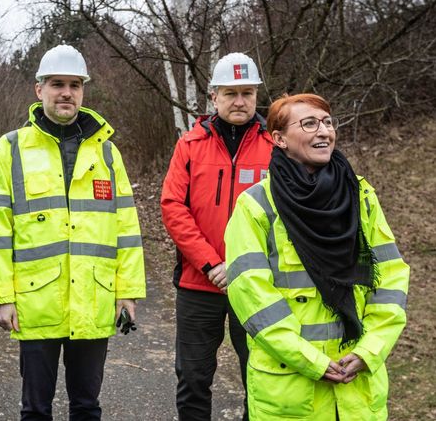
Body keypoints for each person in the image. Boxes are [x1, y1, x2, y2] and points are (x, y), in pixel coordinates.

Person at [0, 44, 146, 420]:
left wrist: (128, 293)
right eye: (57, 84)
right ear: (39, 90)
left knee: (87, 406)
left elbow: (126, 228)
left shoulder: (107, 153)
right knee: (35, 409)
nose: (66, 92)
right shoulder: (11, 149)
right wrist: (0, 296)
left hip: (93, 296)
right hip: (37, 301)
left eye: (74, 84)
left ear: (83, 91)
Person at [224, 93, 409, 420]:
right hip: (292, 390)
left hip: (357, 389)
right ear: (279, 139)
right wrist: (310, 360)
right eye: (309, 123)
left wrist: (369, 351)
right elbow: (252, 297)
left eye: (327, 122)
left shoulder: (360, 194)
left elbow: (390, 278)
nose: (324, 131)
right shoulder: (256, 206)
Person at [161, 52, 273, 420]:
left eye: (247, 93)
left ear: (256, 95)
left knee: (260, 377)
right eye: (230, 93)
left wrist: (242, 266)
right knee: (193, 377)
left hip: (259, 285)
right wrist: (211, 263)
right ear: (214, 97)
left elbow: (286, 215)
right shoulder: (190, 146)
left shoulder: (277, 146)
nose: (239, 101)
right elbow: (173, 207)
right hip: (199, 285)